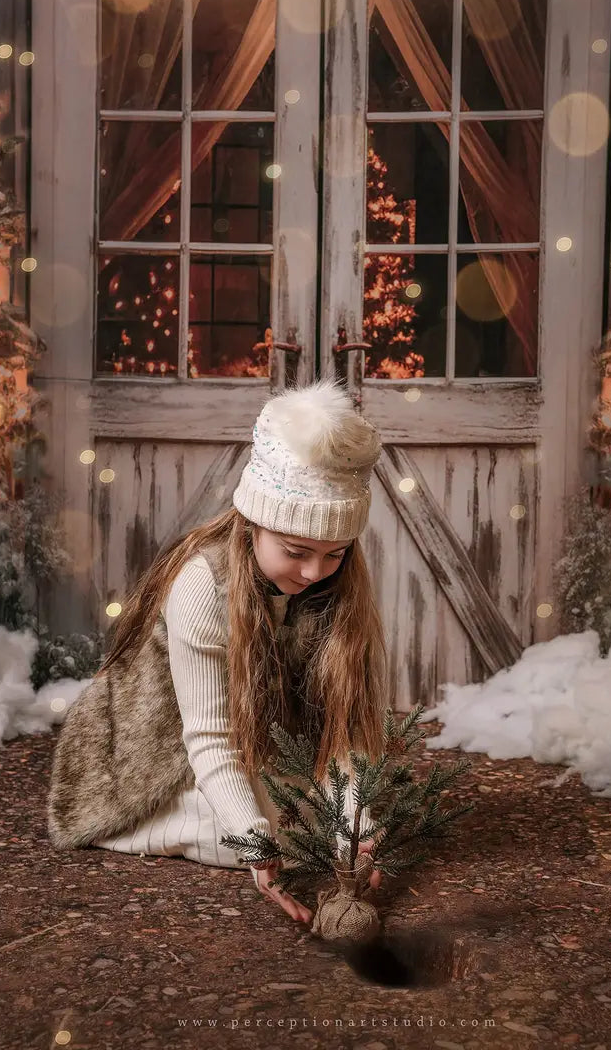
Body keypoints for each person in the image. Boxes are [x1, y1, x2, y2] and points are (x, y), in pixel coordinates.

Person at [47, 376, 387, 925]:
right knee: (276, 833)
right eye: (296, 551)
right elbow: (209, 738)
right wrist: (254, 844)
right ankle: (174, 824)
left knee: (337, 824)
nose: (313, 573)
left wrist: (356, 827)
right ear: (253, 525)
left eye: (334, 555)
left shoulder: (335, 590)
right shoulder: (202, 584)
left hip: (257, 746)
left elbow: (341, 734)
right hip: (158, 755)